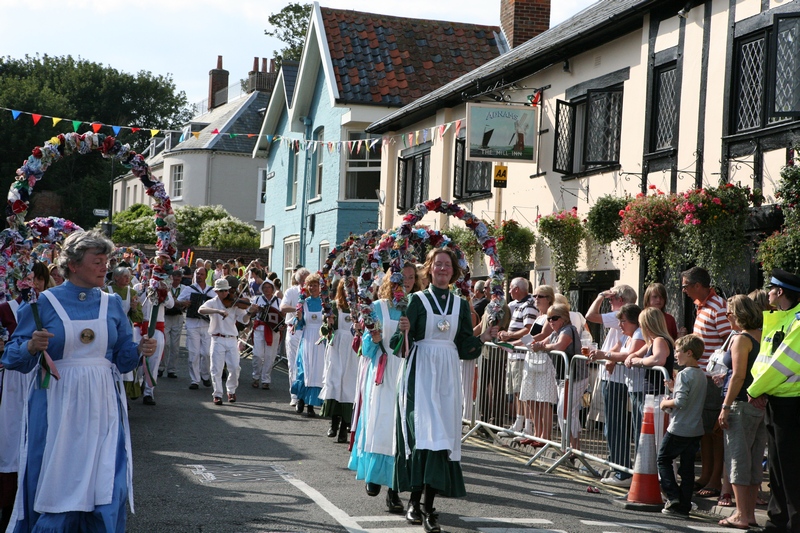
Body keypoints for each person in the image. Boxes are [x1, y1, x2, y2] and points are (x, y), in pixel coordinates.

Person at [1, 231, 157, 532]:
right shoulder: (44, 303)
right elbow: (13, 357)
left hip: (103, 406)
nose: (104, 268)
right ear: (72, 264)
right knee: (56, 479)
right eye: (97, 261)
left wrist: (140, 350)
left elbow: (122, 358)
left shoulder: (111, 303)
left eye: (107, 261)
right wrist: (32, 346)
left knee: (106, 480)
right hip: (56, 405)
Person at [394, 248, 498, 533]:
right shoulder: (416, 300)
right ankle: (415, 502)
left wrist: (484, 337)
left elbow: (465, 344)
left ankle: (427, 506)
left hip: (448, 375)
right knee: (423, 436)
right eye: (437, 264)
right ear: (429, 268)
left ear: (454, 271)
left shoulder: (460, 305)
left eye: (447, 265)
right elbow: (401, 345)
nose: (442, 269)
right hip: (420, 374)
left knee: (441, 438)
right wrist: (402, 330)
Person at [349, 264, 421, 513]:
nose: (409, 282)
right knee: (380, 424)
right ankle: (373, 474)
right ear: (393, 280)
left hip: (406, 374)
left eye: (413, 278)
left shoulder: (416, 306)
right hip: (383, 372)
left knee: (400, 431)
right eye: (405, 278)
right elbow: (364, 348)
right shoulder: (378, 307)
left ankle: (394, 491)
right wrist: (374, 339)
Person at [747, 268, 800, 533]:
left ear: (780, 292)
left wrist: (756, 390)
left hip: (791, 402)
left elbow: (784, 363)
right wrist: (761, 390)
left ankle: (792, 523)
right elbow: (764, 361)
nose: (767, 292)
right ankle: (778, 520)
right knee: (777, 467)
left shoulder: (797, 321)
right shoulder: (780, 317)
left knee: (790, 467)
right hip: (776, 399)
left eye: (771, 288)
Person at [0, 262, 52, 532]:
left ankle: (37, 496)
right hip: (14, 378)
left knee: (38, 432)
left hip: (40, 375)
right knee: (10, 438)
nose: (35, 284)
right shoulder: (5, 307)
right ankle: (8, 503)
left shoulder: (50, 306)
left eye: (39, 279)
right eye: (29, 279)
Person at [714, 295, 765, 529]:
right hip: (760, 405)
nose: (727, 317)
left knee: (737, 459)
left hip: (740, 406)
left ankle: (741, 515)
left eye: (729, 313)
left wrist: (725, 406)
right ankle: (749, 514)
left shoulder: (740, 339)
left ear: (739, 315)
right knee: (754, 461)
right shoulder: (762, 336)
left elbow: (738, 375)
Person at [681, 266, 731, 499]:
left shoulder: (718, 307)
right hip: (703, 377)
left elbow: (728, 342)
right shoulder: (702, 306)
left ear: (698, 285)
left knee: (714, 431)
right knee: (704, 430)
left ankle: (714, 480)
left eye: (686, 286)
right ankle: (706, 476)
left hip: (714, 380)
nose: (684, 291)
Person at [585, 284, 639, 487]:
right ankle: (617, 466)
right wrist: (610, 356)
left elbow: (591, 315)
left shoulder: (623, 315)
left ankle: (622, 471)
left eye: (612, 297)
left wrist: (599, 294)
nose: (609, 301)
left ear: (621, 299)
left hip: (617, 377)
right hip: (613, 375)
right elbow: (620, 343)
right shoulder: (625, 317)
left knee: (615, 425)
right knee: (612, 425)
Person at [658, 334, 707, 517]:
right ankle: (683, 506)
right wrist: (674, 388)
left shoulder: (684, 374)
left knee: (663, 459)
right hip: (695, 429)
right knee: (687, 470)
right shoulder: (700, 374)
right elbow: (689, 397)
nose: (675, 355)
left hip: (679, 428)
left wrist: (665, 403)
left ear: (689, 352)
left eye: (678, 351)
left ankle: (673, 497)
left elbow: (680, 402)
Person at [530, 303, 586, 449]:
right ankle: (569, 447)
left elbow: (560, 346)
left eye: (554, 318)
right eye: (548, 319)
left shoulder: (568, 330)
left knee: (565, 411)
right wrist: (536, 345)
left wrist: (542, 347)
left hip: (575, 376)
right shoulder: (556, 332)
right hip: (563, 377)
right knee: (564, 412)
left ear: (564, 318)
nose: (550, 322)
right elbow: (541, 342)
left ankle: (574, 448)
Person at [199, 278, 255, 404]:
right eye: (222, 291)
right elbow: (201, 310)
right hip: (217, 338)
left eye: (226, 290)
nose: (225, 293)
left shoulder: (235, 303)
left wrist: (250, 312)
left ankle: (231, 391)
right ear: (217, 291)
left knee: (235, 367)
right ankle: (218, 394)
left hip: (231, 339)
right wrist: (217, 311)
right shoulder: (213, 302)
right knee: (216, 368)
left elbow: (244, 320)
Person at [496, 277, 538, 435]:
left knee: (522, 391)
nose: (508, 291)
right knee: (516, 391)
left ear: (517, 289)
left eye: (510, 288)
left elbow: (529, 329)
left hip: (521, 355)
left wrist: (509, 335)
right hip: (514, 354)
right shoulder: (518, 305)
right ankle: (519, 424)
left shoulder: (528, 305)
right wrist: (506, 335)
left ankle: (526, 426)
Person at [318, 280, 359, 442]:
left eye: (352, 289)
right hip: (337, 348)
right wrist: (328, 325)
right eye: (346, 289)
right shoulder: (334, 306)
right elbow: (325, 330)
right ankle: (333, 423)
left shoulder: (360, 308)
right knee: (335, 382)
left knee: (349, 385)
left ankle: (344, 427)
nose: (349, 292)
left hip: (353, 349)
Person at [518, 285, 558, 443]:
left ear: (548, 298)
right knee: (530, 398)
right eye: (534, 296)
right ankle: (536, 433)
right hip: (532, 359)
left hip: (544, 361)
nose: (535, 299)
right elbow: (530, 336)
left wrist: (515, 342)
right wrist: (512, 342)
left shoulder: (551, 314)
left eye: (539, 296)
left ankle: (545, 436)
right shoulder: (538, 316)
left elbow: (542, 336)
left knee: (543, 400)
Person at [134, 271, 175, 406]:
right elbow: (134, 304)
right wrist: (143, 290)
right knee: (136, 357)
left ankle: (148, 392)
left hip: (156, 327)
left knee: (154, 360)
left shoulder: (163, 288)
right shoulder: (138, 287)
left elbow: (171, 304)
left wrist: (162, 293)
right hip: (139, 326)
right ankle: (136, 384)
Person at [291, 273, 326, 417]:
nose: (312, 288)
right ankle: (301, 399)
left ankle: (311, 405)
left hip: (320, 340)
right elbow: (299, 325)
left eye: (315, 285)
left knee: (317, 371)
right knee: (304, 370)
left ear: (320, 287)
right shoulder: (303, 303)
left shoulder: (325, 303)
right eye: (310, 285)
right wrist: (298, 319)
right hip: (307, 339)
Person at [177, 267, 215, 390]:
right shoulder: (189, 289)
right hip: (192, 323)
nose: (199, 276)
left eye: (201, 274)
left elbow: (218, 304)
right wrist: (185, 303)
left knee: (206, 353)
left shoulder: (212, 291)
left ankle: (205, 375)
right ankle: (195, 380)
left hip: (207, 325)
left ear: (206, 276)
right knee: (194, 353)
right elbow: (178, 301)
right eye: (197, 273)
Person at [281, 267, 309, 406]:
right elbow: (283, 307)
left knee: (308, 363)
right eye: (304, 279)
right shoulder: (291, 291)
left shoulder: (314, 293)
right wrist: (297, 309)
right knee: (293, 364)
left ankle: (306, 395)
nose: (306, 282)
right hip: (294, 330)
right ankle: (294, 395)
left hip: (309, 331)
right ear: (299, 281)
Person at [250, 279, 282, 390]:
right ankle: (255, 376)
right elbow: (250, 313)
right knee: (257, 354)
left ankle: (266, 380)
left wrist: (282, 325)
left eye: (269, 287)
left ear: (273, 289)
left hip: (273, 330)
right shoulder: (257, 299)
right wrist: (253, 310)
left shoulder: (278, 301)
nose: (266, 289)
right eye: (264, 287)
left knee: (270, 356)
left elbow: (282, 315)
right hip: (260, 328)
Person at [159, 270, 185, 379]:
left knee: (175, 345)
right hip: (166, 316)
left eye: (178, 279)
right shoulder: (167, 287)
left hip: (178, 317)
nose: (176, 281)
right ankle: (161, 367)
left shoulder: (184, 289)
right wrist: (177, 303)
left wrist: (178, 303)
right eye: (174, 279)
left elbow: (187, 302)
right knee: (165, 344)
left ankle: (172, 369)